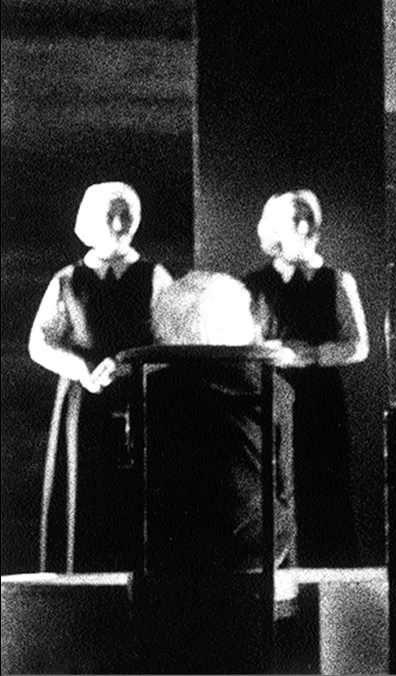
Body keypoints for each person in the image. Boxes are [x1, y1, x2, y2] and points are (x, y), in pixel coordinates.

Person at [136, 270, 297, 673]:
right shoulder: (276, 387)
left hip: (179, 551)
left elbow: (147, 485)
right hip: (258, 545)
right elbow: (284, 485)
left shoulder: (158, 390)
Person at [29, 181, 173, 572]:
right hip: (83, 402)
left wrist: (128, 367)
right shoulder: (67, 280)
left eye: (127, 214)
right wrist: (82, 370)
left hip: (142, 400)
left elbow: (173, 342)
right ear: (92, 219)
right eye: (111, 214)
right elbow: (40, 343)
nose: (120, 223)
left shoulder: (155, 277)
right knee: (84, 493)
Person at [243, 189, 369, 566]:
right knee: (276, 481)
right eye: (294, 219)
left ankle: (330, 570)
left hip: (322, 399)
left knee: (325, 483)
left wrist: (313, 355)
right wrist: (276, 351)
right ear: (274, 228)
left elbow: (359, 345)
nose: (303, 227)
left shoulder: (338, 280)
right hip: (272, 396)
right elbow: (242, 345)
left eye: (308, 218)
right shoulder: (254, 284)